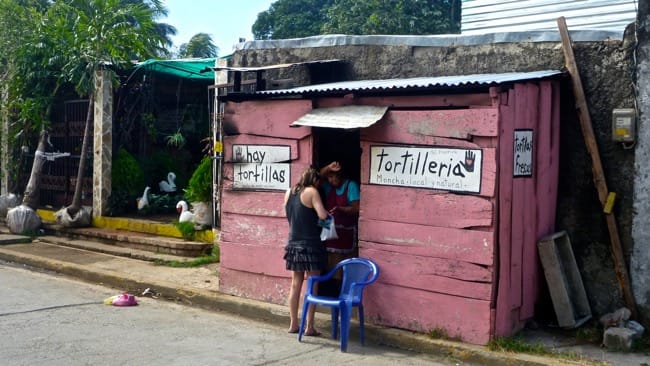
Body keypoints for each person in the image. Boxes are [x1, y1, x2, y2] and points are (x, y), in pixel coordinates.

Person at [283, 167, 329, 336]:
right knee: (312, 285)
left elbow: (288, 215)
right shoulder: (312, 192)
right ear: (315, 181)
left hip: (293, 243)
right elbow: (323, 215)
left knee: (295, 285)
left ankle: (293, 323)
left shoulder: (289, 192)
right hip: (311, 244)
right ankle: (309, 326)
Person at [319, 161, 360, 293]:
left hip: (346, 234)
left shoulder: (351, 185)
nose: (333, 180)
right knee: (331, 267)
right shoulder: (328, 187)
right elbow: (317, 177)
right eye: (330, 177)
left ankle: (345, 293)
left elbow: (356, 209)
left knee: (345, 268)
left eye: (335, 176)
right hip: (331, 235)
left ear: (341, 175)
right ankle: (335, 292)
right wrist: (328, 167)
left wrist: (341, 209)